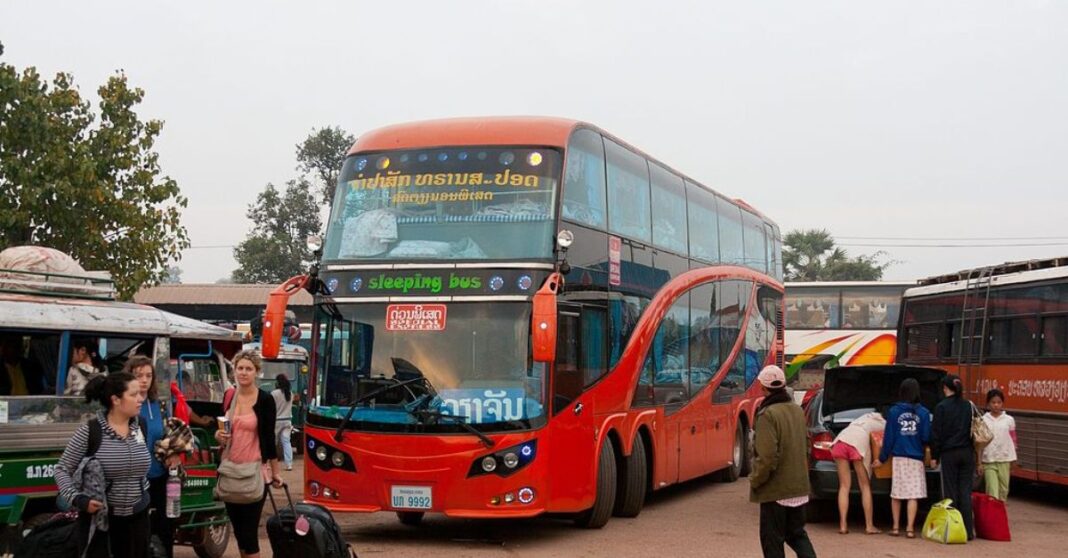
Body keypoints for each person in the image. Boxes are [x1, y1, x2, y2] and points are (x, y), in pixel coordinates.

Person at [54, 371, 151, 558]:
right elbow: (62, 469)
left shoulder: (141, 426)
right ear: (115, 400)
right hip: (102, 522)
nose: (140, 399)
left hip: (138, 519)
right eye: (133, 394)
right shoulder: (91, 431)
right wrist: (78, 499)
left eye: (140, 393)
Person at [215, 350, 283, 558]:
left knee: (249, 533)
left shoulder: (265, 400)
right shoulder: (229, 397)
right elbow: (222, 429)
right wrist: (218, 435)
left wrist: (276, 472)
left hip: (255, 471)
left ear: (257, 372)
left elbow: (269, 438)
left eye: (248, 369)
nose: (243, 373)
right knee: (239, 534)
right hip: (230, 469)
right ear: (234, 370)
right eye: (240, 368)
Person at [749, 365, 817, 558]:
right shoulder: (797, 410)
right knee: (797, 535)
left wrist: (755, 479)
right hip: (799, 488)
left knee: (772, 541)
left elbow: (767, 457)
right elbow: (806, 446)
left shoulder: (767, 415)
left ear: (763, 387)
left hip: (776, 491)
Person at [127, 355, 181, 558]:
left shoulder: (158, 404)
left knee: (166, 527)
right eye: (139, 375)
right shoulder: (126, 405)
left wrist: (174, 452)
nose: (144, 380)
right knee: (140, 531)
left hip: (162, 476)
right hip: (136, 479)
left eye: (148, 375)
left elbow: (168, 434)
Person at [873, 378, 931, 539]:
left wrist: (882, 458)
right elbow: (926, 436)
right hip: (916, 458)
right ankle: (910, 529)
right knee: (913, 495)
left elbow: (889, 438)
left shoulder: (894, 412)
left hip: (898, 457)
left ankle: (896, 527)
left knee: (896, 493)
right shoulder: (924, 413)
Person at [930, 374, 976, 540]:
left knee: (950, 493)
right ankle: (968, 531)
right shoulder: (968, 406)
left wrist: (934, 456)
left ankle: (953, 529)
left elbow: (936, 434)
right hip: (967, 453)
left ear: (945, 388)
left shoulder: (941, 407)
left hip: (949, 454)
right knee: (965, 492)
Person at [830, 411, 886, 535]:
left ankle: (843, 525)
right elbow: (881, 442)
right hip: (857, 444)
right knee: (865, 486)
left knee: (844, 486)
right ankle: (869, 526)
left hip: (840, 441)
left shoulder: (861, 418)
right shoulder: (883, 423)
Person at [979, 388, 1017, 501]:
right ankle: (993, 514)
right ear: (988, 404)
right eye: (993, 402)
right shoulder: (983, 420)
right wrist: (979, 462)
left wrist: (1014, 460)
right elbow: (980, 443)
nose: (996, 405)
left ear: (1002, 403)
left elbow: (1013, 440)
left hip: (1005, 458)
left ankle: (1000, 512)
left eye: (999, 402)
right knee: (992, 492)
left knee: (1003, 490)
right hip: (989, 459)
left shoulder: (1009, 420)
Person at [271, 374, 295, 471]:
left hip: (276, 421)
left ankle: (270, 463)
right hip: (287, 421)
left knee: (273, 442)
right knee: (286, 442)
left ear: (278, 382)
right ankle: (289, 464)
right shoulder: (290, 393)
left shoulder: (274, 393)